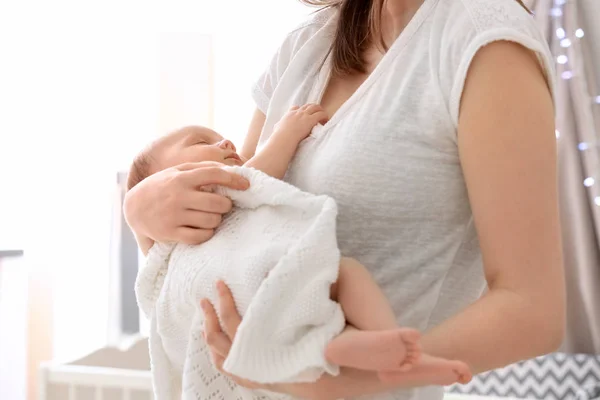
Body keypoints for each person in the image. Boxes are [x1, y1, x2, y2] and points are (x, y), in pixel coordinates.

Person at [124, 0, 565, 399]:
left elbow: (532, 312)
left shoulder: (482, 44)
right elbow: (232, 231)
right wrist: (142, 216)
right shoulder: (306, 45)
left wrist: (345, 377)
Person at [130, 105, 472, 391]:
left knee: (312, 336)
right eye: (202, 141)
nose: (225, 140)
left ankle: (381, 352)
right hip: (246, 290)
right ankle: (390, 343)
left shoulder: (200, 215)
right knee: (346, 275)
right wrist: (287, 134)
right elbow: (254, 175)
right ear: (168, 180)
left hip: (256, 296)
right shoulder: (194, 206)